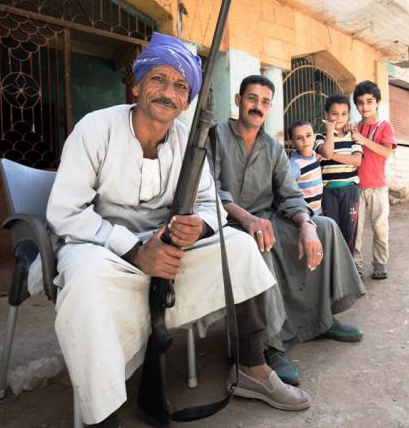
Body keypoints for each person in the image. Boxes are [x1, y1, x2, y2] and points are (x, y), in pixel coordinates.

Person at [46, 34, 310, 427]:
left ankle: (253, 366)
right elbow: (67, 213)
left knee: (238, 246)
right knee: (83, 283)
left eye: (180, 86)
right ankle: (102, 415)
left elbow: (210, 204)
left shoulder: (189, 140)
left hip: (168, 246)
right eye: (158, 79)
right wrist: (135, 251)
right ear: (136, 85)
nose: (168, 92)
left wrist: (196, 227)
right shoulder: (95, 128)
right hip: (102, 247)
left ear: (187, 101)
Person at [208, 74, 366, 387]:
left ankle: (321, 319)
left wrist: (306, 224)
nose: (258, 107)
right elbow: (209, 189)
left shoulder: (272, 147)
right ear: (239, 101)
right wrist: (248, 219)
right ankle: (268, 345)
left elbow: (290, 195)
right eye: (252, 99)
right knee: (257, 246)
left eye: (265, 102)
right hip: (228, 224)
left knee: (326, 227)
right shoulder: (217, 136)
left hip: (269, 218)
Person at [351, 80, 397, 280]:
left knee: (380, 227)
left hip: (378, 187)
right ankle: (355, 265)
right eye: (360, 102)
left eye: (369, 101)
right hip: (355, 186)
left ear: (377, 102)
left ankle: (380, 264)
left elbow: (386, 152)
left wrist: (364, 141)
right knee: (356, 229)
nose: (365, 106)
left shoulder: (384, 126)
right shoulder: (354, 128)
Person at [314, 93, 363, 257]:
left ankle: (348, 267)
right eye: (334, 114)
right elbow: (326, 150)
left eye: (344, 114)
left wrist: (331, 156)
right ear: (327, 115)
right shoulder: (320, 137)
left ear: (348, 115)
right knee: (331, 229)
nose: (339, 118)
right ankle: (333, 267)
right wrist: (329, 131)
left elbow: (356, 161)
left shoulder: (354, 138)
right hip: (328, 193)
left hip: (350, 191)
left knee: (349, 232)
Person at [288, 119, 328, 215]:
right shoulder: (294, 165)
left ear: (314, 137)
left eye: (308, 135)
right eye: (299, 138)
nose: (305, 141)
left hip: (318, 211)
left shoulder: (314, 155)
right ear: (292, 142)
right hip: (304, 215)